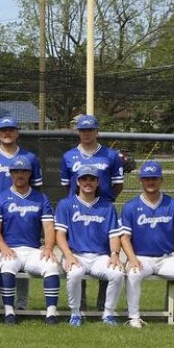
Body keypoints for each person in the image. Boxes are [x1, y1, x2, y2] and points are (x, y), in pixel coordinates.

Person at [0, 115, 43, 310]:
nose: (7, 133)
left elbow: (37, 188)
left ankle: (21, 303)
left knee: (22, 254)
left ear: (17, 132)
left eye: (11, 129)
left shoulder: (30, 158)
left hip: (22, 212)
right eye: (3, 130)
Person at [119, 160, 174, 328]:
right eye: (147, 178)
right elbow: (124, 238)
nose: (150, 182)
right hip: (141, 258)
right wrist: (132, 259)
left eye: (154, 178)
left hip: (165, 259)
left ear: (161, 180)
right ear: (141, 180)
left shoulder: (173, 204)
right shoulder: (131, 206)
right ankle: (134, 318)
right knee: (133, 273)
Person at [59, 113, 125, 310]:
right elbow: (66, 185)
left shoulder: (110, 155)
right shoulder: (69, 156)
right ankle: (81, 303)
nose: (87, 133)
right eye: (83, 130)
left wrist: (107, 200)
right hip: (77, 208)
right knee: (78, 249)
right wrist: (76, 200)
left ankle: (102, 303)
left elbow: (118, 184)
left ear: (97, 131)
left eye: (90, 130)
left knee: (103, 252)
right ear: (78, 132)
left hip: (102, 208)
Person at [0, 159, 60, 325]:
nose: (19, 175)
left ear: (29, 173)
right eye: (16, 171)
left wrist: (49, 247)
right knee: (7, 265)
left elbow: (49, 227)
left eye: (23, 171)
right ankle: (9, 312)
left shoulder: (41, 198)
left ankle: (51, 313)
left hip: (32, 249)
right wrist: (4, 248)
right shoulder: (0, 198)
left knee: (51, 266)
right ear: (11, 174)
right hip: (10, 248)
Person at [54, 165, 125, 327]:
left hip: (100, 256)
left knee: (117, 274)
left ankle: (108, 314)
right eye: (84, 179)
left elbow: (114, 235)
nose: (88, 182)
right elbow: (60, 235)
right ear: (77, 182)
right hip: (75, 253)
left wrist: (114, 254)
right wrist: (68, 255)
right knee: (75, 274)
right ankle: (75, 313)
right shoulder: (66, 204)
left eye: (92, 179)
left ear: (98, 182)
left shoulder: (107, 207)